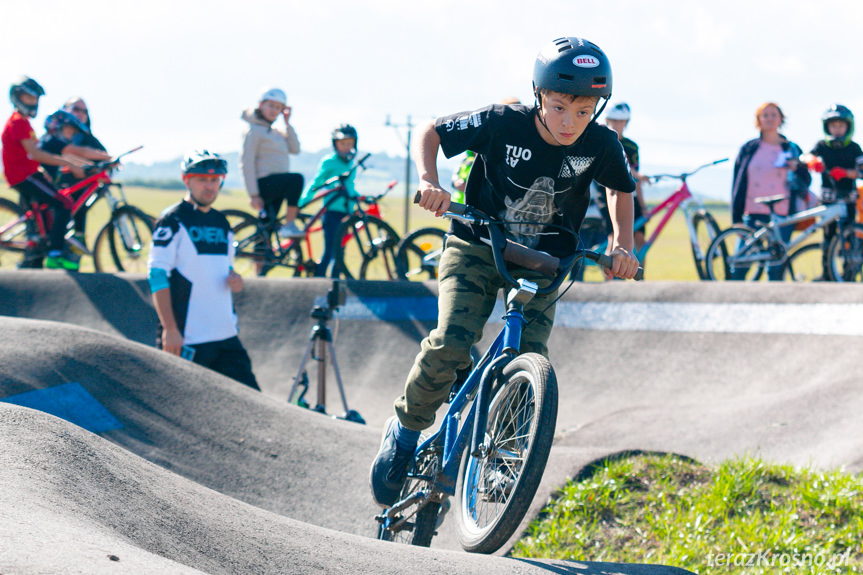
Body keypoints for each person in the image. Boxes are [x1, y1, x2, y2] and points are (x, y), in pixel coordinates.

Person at [369, 36, 639, 508]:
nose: (570, 122)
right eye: (558, 107)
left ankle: (504, 457)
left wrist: (623, 245)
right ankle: (407, 430)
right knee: (453, 339)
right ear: (538, 95)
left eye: (583, 110)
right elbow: (431, 131)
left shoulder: (601, 143)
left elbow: (620, 189)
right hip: (478, 245)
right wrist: (429, 181)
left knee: (530, 362)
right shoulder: (501, 121)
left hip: (546, 263)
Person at [147, 150, 259, 391]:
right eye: (202, 180)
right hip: (187, 339)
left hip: (226, 337)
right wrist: (170, 329)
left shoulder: (222, 222)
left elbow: (224, 267)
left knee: (255, 409)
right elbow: (157, 275)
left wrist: (235, 279)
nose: (209, 186)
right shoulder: (172, 220)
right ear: (186, 180)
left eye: (214, 180)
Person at [2, 76, 89, 270]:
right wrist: (67, 162)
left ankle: (38, 247)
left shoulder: (23, 123)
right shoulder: (18, 123)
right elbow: (35, 153)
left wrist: (43, 171)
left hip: (29, 173)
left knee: (42, 213)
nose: (32, 103)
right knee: (64, 203)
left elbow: (27, 155)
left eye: (34, 100)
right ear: (17, 97)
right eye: (28, 98)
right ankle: (55, 253)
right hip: (24, 177)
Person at [730, 102, 811, 281]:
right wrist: (736, 218)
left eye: (774, 114)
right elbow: (738, 182)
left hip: (782, 214)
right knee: (740, 265)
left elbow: (807, 180)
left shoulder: (792, 148)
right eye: (765, 115)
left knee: (776, 268)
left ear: (781, 119)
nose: (769, 119)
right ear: (758, 120)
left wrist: (797, 167)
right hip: (753, 213)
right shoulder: (749, 149)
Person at [38, 109, 112, 255]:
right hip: (39, 183)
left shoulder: (51, 142)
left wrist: (89, 166)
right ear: (57, 127)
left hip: (44, 184)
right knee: (64, 205)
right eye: (69, 131)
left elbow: (72, 158)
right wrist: (108, 157)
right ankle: (55, 251)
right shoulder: (52, 141)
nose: (71, 135)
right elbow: (80, 151)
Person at [803, 104, 863, 270]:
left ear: (848, 127)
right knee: (828, 237)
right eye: (833, 125)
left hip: (848, 200)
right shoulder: (822, 146)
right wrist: (811, 161)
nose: (837, 129)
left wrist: (847, 173)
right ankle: (827, 273)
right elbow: (806, 156)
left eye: (841, 126)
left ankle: (849, 273)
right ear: (827, 126)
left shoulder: (854, 148)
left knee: (849, 237)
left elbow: (861, 170)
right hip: (828, 202)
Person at [240, 87, 304, 239]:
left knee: (267, 226)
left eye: (278, 107)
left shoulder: (277, 131)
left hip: (278, 185)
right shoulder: (254, 131)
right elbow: (246, 162)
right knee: (296, 179)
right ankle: (289, 225)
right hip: (266, 184)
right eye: (271, 105)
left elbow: (295, 149)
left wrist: (288, 124)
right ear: (261, 105)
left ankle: (261, 260)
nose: (274, 110)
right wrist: (253, 195)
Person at [298, 124, 361, 277]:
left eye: (349, 143)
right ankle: (319, 280)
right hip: (332, 210)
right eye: (342, 143)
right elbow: (316, 182)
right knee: (330, 250)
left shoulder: (350, 163)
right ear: (335, 144)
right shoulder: (328, 161)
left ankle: (335, 283)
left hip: (347, 211)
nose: (346, 147)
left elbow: (349, 187)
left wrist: (359, 198)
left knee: (341, 250)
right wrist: (302, 202)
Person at [596, 102, 648, 254]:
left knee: (639, 237)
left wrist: (643, 206)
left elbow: (636, 180)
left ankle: (641, 276)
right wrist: (637, 175)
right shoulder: (602, 141)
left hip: (629, 195)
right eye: (614, 120)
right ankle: (611, 277)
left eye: (622, 121)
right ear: (607, 120)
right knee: (613, 237)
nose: (619, 124)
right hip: (606, 195)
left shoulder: (632, 147)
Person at [450, 98, 522, 204]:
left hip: (488, 208)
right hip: (460, 205)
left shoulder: (512, 151)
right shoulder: (468, 157)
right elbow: (456, 174)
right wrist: (456, 182)